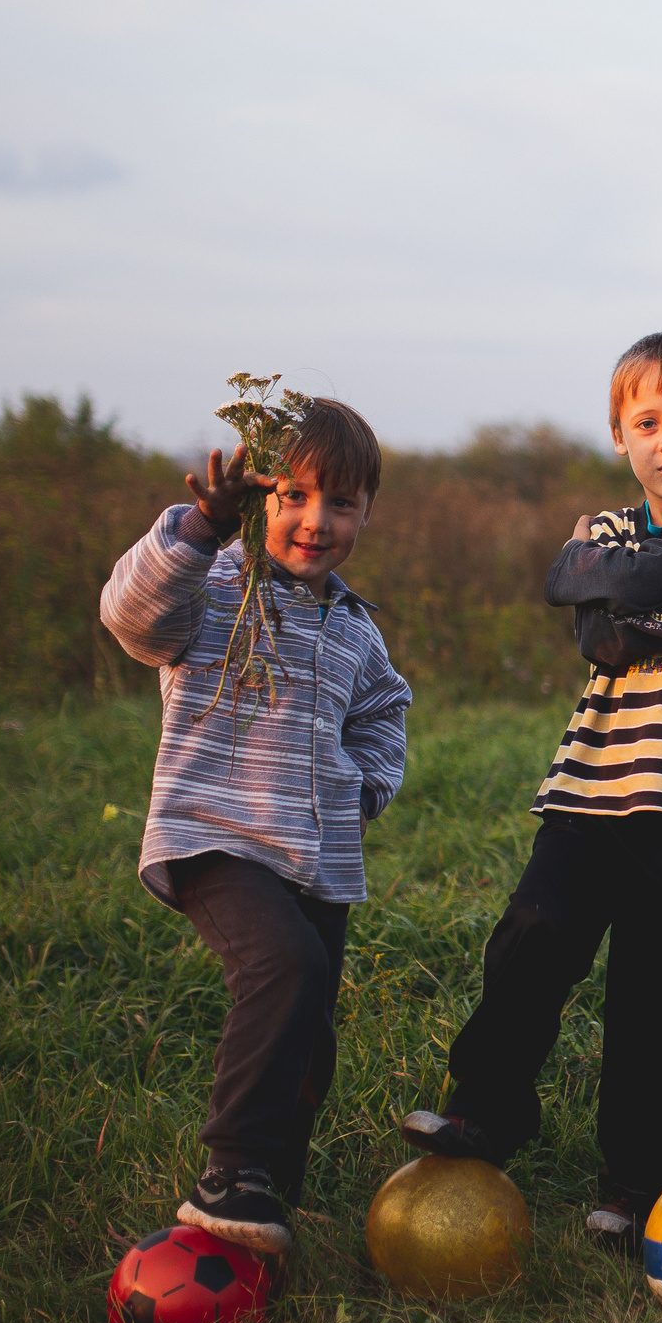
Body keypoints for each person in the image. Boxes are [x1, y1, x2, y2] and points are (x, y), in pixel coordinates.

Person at [397, 331, 662, 1244]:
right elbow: (594, 630)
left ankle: (638, 1178)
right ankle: (488, 1109)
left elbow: (617, 601)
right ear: (619, 436)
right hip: (587, 790)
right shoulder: (606, 529)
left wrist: (623, 593)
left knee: (656, 1001)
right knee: (532, 936)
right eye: (648, 423)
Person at [100, 396, 410, 1255]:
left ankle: (272, 1188)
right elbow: (130, 616)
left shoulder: (353, 626)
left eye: (341, 503)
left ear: (366, 513)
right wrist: (202, 526)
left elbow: (384, 711)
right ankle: (230, 1169)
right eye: (294, 495)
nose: (316, 521)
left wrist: (364, 789)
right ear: (258, 496)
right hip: (216, 837)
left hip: (320, 857)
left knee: (311, 1031)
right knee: (284, 966)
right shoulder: (213, 586)